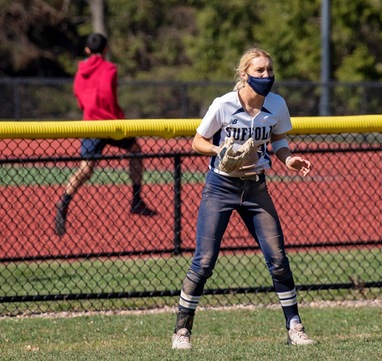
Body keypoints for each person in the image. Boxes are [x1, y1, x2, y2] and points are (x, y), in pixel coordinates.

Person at [171, 48, 315, 349]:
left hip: (255, 188)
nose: (266, 76)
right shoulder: (223, 104)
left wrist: (288, 159)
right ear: (244, 74)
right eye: (259, 70)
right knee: (204, 261)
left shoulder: (276, 104)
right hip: (220, 187)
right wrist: (217, 151)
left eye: (269, 70)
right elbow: (199, 140)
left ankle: (294, 327)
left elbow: (278, 139)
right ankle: (182, 331)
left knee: (277, 260)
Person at [55, 33, 157, 237]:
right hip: (111, 123)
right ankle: (136, 199)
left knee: (85, 169)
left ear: (86, 50)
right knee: (136, 150)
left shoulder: (80, 71)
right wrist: (119, 118)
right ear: (105, 49)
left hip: (91, 124)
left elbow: (79, 96)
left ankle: (64, 201)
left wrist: (89, 110)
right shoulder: (110, 69)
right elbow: (109, 96)